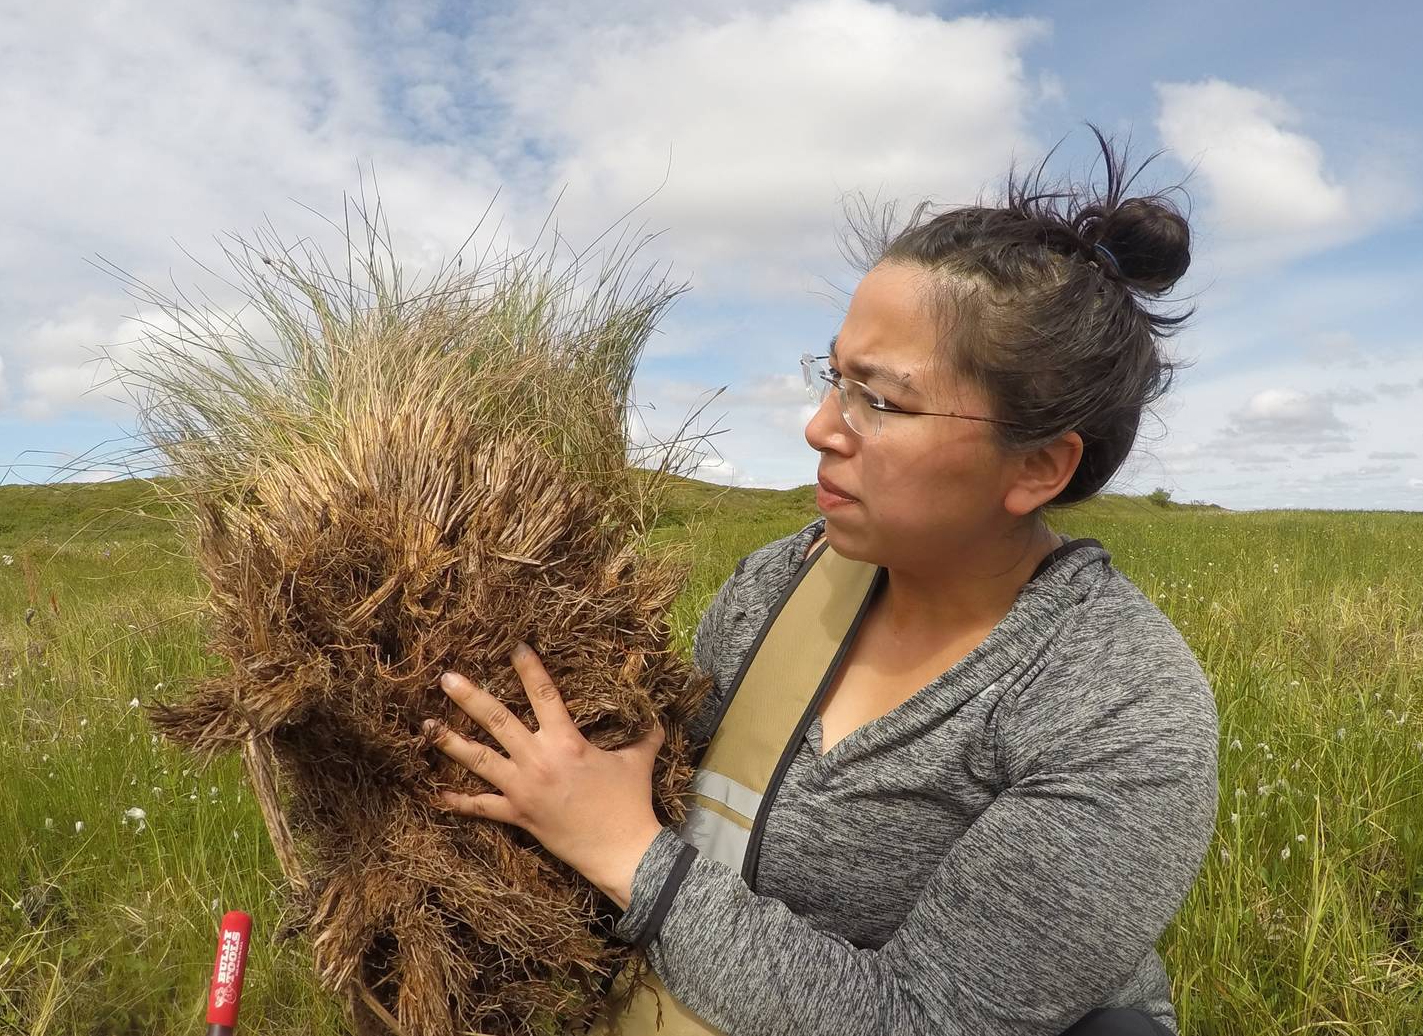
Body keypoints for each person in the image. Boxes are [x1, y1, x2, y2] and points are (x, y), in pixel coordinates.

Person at [424, 126, 1219, 1034]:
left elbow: (928, 1021)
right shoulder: (780, 582)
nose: (818, 427)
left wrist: (625, 851)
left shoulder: (1120, 711)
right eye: (833, 376)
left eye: (879, 399)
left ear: (1037, 465)